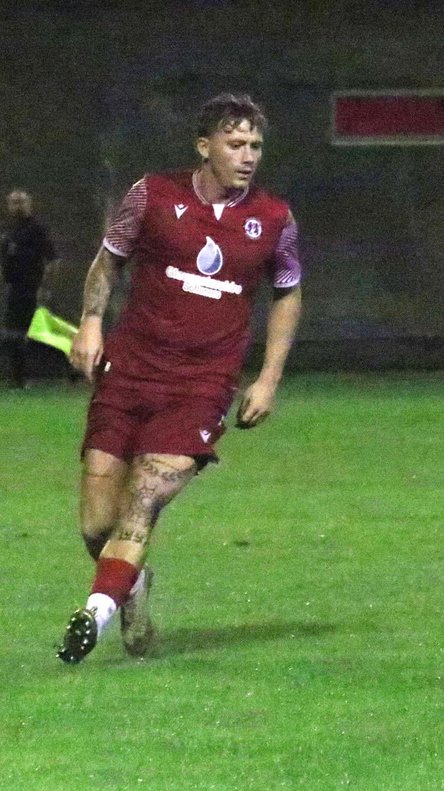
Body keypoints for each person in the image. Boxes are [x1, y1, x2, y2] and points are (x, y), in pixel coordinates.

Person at [56, 93, 304, 664]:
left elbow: (288, 293)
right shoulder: (151, 194)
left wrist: (268, 378)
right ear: (204, 146)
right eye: (235, 144)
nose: (247, 156)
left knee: (144, 500)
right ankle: (130, 586)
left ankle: (93, 614)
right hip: (129, 373)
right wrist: (91, 323)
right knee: (98, 522)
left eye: (256, 146)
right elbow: (108, 259)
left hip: (201, 387)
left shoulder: (274, 218)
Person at [2, 189, 60, 388]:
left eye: (21, 202)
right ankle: (18, 379)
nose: (18, 206)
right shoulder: (9, 232)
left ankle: (55, 375)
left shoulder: (37, 229)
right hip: (14, 290)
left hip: (32, 289)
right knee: (13, 334)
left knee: (35, 333)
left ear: (29, 204)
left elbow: (52, 259)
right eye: (14, 202)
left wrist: (45, 287)